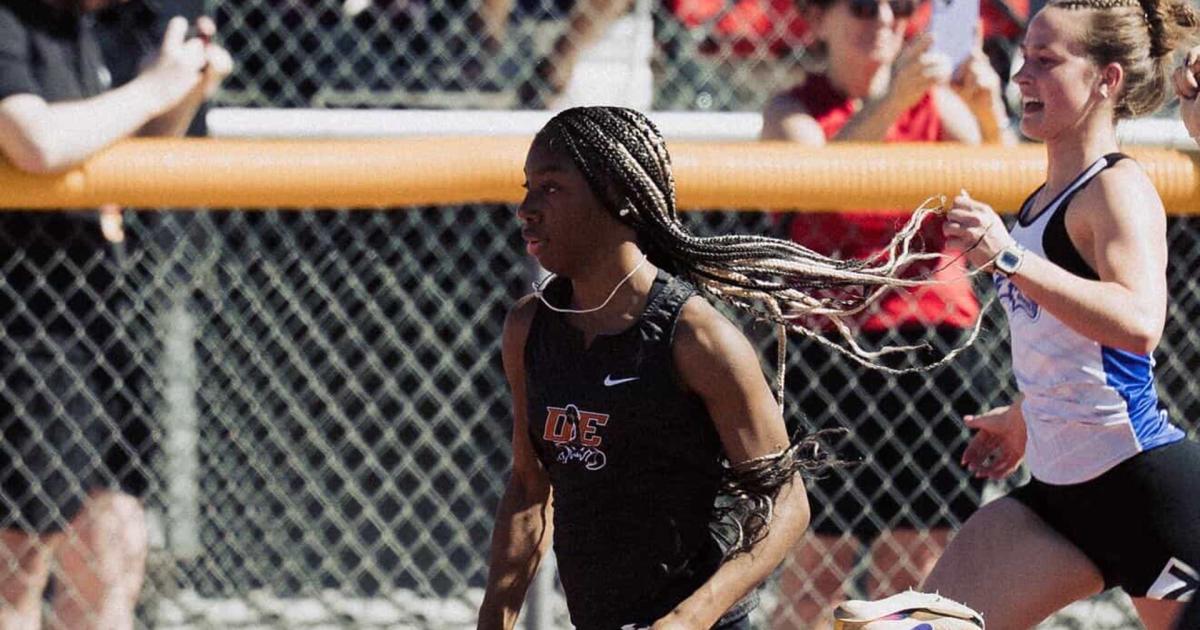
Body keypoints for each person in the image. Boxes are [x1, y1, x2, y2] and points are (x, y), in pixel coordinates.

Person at [475, 106, 945, 630]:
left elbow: (789, 503)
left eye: (551, 187)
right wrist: (493, 619)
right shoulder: (529, 328)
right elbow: (528, 486)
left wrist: (688, 618)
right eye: (527, 188)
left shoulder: (696, 337)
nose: (526, 209)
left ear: (619, 195)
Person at [915, 0, 1200, 627]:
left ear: (1106, 79)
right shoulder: (1042, 201)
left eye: (1046, 61)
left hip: (1143, 490)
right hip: (1061, 501)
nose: (1022, 76)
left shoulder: (1116, 187)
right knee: (926, 626)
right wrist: (1027, 415)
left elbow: (1138, 323)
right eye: (1024, 58)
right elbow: (1076, 345)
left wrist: (1009, 258)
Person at [760, 0, 1013, 625]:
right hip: (831, 350)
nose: (882, 20)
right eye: (861, 6)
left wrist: (989, 111)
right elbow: (817, 184)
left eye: (899, 7)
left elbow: (1008, 185)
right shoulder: (795, 110)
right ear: (819, 20)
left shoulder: (936, 105)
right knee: (818, 568)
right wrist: (893, 99)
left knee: (916, 567)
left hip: (932, 343)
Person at [0, 1, 230, 627]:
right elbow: (35, 141)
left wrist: (182, 89)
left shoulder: (90, 25)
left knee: (111, 549)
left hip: (100, 312)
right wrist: (152, 87)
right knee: (17, 570)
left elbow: (120, 155)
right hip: (21, 324)